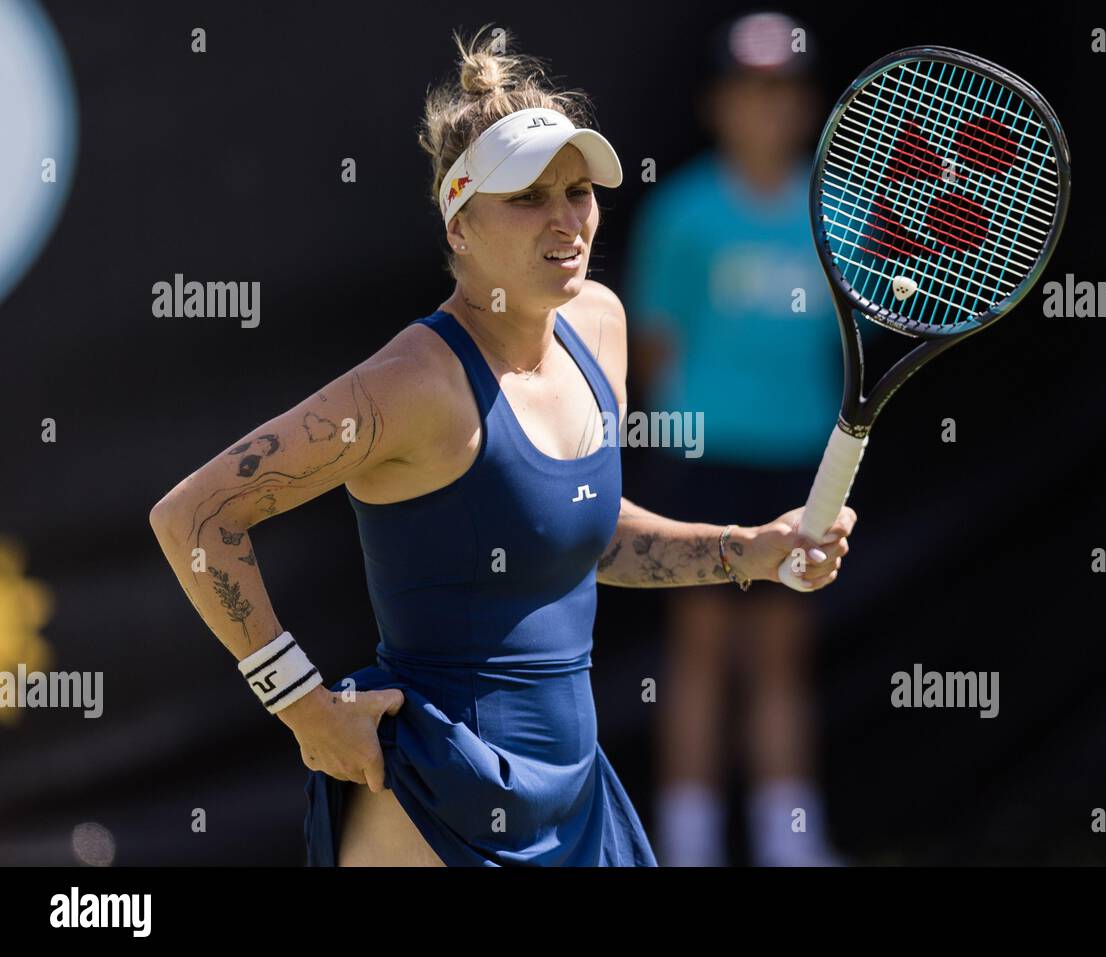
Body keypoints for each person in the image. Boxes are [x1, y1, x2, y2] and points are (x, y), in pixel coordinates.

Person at [148, 25, 855, 867]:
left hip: (578, 787)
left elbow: (589, 533)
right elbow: (194, 517)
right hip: (436, 793)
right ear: (459, 225)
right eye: (527, 198)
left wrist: (752, 550)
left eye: (578, 191)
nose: (566, 221)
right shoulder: (413, 384)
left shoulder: (600, 322)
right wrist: (302, 704)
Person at [626, 11, 868, 865]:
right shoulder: (682, 214)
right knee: (698, 655)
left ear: (807, 109)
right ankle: (685, 847)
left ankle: (787, 844)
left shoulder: (837, 213)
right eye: (749, 92)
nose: (766, 109)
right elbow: (652, 352)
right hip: (704, 458)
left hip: (800, 461)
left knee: (780, 656)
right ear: (717, 104)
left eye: (783, 92)